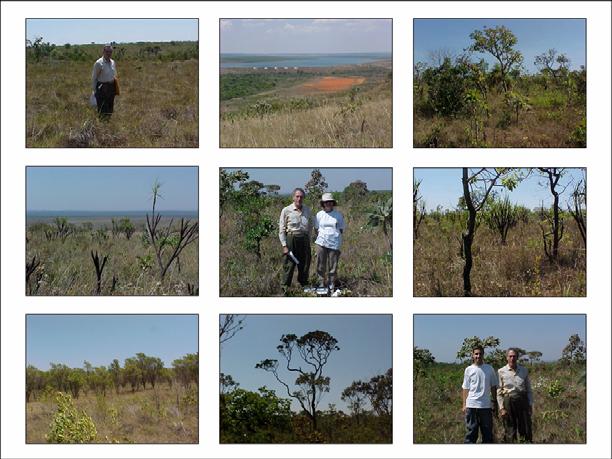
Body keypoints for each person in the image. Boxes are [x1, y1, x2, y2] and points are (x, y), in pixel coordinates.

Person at [462, 345, 499, 443]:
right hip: (471, 406)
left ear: (483, 355)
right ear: (472, 355)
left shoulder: (489, 368)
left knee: (487, 434)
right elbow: (465, 387)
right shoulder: (468, 369)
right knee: (471, 433)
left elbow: (493, 386)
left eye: (480, 354)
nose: (478, 356)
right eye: (476, 354)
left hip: (485, 406)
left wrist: (494, 402)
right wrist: (464, 405)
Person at [279, 188, 312, 291]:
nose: (299, 199)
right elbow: (281, 229)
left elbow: (310, 226)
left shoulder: (307, 210)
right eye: (297, 196)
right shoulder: (286, 210)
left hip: (304, 239)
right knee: (289, 264)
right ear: (293, 197)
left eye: (301, 197)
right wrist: (284, 245)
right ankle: (285, 288)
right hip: (291, 238)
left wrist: (309, 240)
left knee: (305, 263)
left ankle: (304, 285)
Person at [497, 348, 533, 443]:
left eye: (514, 356)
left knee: (525, 426)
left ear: (517, 357)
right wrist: (501, 408)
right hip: (508, 401)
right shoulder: (501, 371)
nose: (512, 358)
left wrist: (530, 404)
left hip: (522, 400)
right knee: (510, 427)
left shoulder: (524, 370)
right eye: (510, 356)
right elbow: (499, 391)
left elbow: (529, 389)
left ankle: (525, 443)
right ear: (507, 358)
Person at [314, 193, 345, 291]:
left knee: (333, 265)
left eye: (330, 202)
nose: (328, 204)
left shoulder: (338, 215)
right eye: (326, 202)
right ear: (323, 203)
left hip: (334, 243)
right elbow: (316, 228)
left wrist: (333, 236)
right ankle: (321, 283)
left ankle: (331, 283)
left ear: (333, 203)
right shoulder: (319, 215)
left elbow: (341, 229)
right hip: (321, 242)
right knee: (320, 264)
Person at [92, 44, 117, 119]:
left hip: (111, 87)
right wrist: (94, 90)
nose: (109, 53)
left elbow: (114, 74)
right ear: (103, 52)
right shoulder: (98, 63)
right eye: (107, 51)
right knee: (102, 107)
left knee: (110, 106)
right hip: (101, 87)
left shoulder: (113, 62)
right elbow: (94, 77)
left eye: (110, 52)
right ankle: (102, 124)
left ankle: (108, 123)